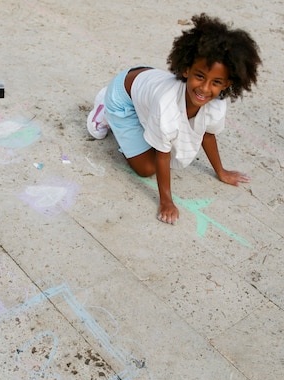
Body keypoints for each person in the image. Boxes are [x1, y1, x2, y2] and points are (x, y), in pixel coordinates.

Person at [87, 13, 261, 225]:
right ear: (186, 70)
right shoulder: (166, 106)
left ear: (226, 84)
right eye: (200, 76)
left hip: (147, 83)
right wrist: (166, 201)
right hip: (123, 97)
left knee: (163, 136)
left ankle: (139, 124)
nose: (205, 88)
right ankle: (105, 109)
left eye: (216, 82)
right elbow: (163, 155)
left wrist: (221, 172)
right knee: (146, 169)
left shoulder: (215, 103)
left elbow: (207, 134)